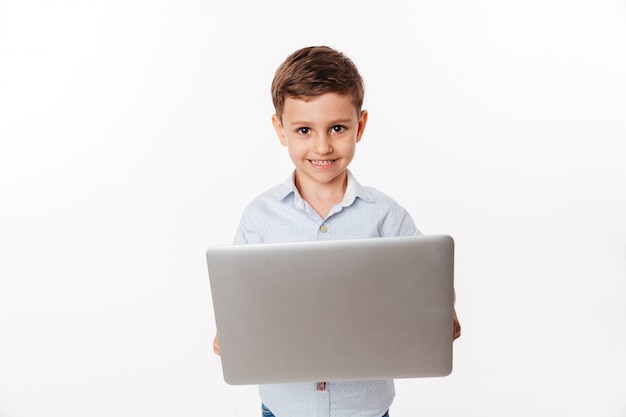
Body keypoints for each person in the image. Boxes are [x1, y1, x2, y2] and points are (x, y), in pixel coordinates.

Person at [213, 45, 461, 417]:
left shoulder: (385, 215)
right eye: (303, 130)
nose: (322, 145)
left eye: (338, 128)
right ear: (280, 130)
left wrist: (442, 314)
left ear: (359, 126)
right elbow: (239, 305)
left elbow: (430, 284)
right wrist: (231, 335)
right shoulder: (259, 217)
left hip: (364, 408)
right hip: (284, 408)